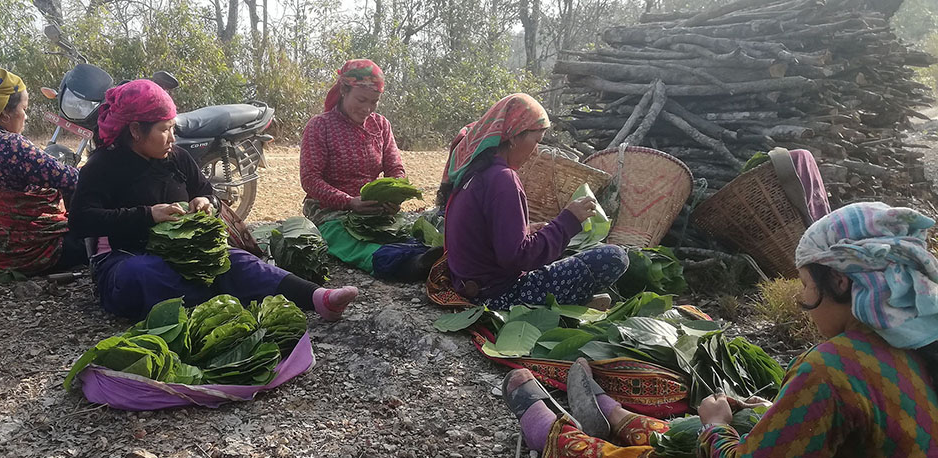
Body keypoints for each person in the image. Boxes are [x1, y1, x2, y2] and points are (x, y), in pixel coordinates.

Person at [500, 202, 938, 458]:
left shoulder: (833, 365)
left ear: (840, 282)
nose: (804, 305)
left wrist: (713, 425)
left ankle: (565, 443)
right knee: (734, 429)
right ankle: (621, 418)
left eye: (806, 286)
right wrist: (763, 413)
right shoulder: (915, 343)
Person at [69, 79, 358, 321]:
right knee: (143, 275)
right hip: (124, 260)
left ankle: (319, 299)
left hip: (185, 256)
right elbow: (81, 221)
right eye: (163, 129)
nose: (172, 137)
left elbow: (207, 191)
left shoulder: (177, 158)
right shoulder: (101, 167)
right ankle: (218, 302)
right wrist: (147, 215)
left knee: (235, 261)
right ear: (134, 130)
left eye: (173, 128)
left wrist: (206, 203)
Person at [442, 94, 629, 308]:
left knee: (564, 251)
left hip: (471, 285)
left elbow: (484, 234)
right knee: (614, 257)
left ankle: (579, 301)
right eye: (536, 141)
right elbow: (517, 258)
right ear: (513, 137)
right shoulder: (504, 179)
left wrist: (528, 230)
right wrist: (567, 222)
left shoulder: (475, 174)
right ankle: (571, 303)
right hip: (499, 295)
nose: (536, 151)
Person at [298, 59, 440, 281]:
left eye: (374, 102)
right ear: (344, 91)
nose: (367, 108)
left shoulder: (380, 125)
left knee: (404, 235)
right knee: (346, 240)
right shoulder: (319, 126)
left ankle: (427, 258)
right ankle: (399, 265)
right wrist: (348, 201)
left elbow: (395, 169)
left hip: (373, 209)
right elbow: (310, 179)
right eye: (361, 100)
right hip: (330, 212)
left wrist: (394, 197)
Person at [0, 68, 86, 275]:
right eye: (24, 109)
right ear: (5, 113)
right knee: (106, 236)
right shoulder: (10, 145)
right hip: (32, 253)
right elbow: (73, 180)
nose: (25, 116)